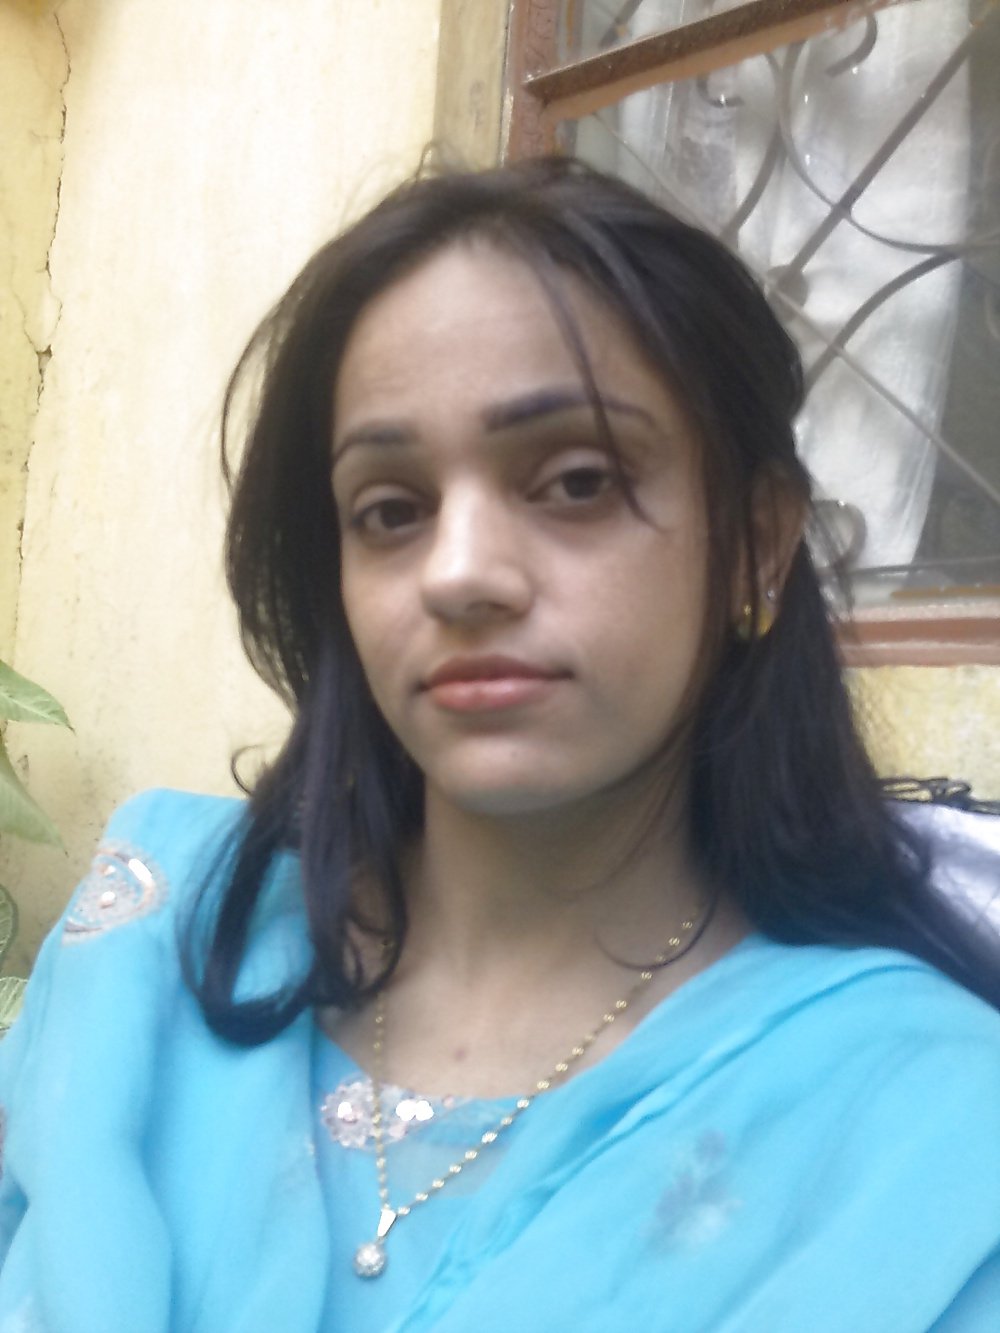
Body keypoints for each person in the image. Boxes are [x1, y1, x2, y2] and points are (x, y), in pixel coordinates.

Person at [0, 157, 998, 1333]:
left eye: (574, 482)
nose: (458, 572)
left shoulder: (923, 1135)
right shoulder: (151, 953)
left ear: (754, 543)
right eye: (389, 509)